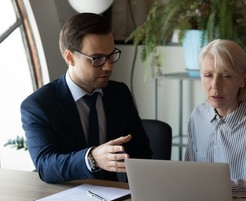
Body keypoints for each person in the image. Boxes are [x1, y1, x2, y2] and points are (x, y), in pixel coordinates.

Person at [21, 13, 151, 183]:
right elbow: (45, 166)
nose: (108, 66)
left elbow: (141, 152)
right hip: (65, 200)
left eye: (111, 55)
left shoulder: (119, 93)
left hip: (114, 197)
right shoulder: (39, 105)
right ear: (70, 58)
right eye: (97, 58)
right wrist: (91, 158)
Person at [185, 39, 246, 197]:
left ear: (242, 79)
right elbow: (187, 173)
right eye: (208, 75)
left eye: (226, 76)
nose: (215, 85)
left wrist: (213, 186)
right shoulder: (197, 116)